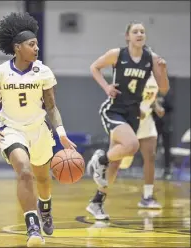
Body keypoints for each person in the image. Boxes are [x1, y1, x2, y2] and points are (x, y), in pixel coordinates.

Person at [0, 12, 76, 247]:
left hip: (39, 130)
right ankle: (33, 227)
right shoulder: (0, 72)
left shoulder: (43, 72)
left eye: (37, 44)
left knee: (43, 178)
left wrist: (61, 134)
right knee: (24, 171)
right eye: (31, 44)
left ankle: (45, 208)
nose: (36, 48)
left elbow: (52, 107)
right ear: (17, 47)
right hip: (11, 130)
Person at [86, 21, 169, 220]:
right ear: (128, 36)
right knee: (131, 145)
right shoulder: (118, 54)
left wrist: (163, 70)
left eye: (142, 31)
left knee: (115, 165)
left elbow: (164, 88)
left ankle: (96, 202)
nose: (139, 34)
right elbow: (94, 67)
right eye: (135, 31)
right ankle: (100, 159)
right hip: (114, 110)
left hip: (133, 114)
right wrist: (106, 87)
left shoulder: (152, 58)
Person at [120, 72, 164, 209]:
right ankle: (99, 197)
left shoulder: (153, 77)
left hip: (146, 122)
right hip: (130, 120)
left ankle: (147, 196)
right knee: (121, 163)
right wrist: (136, 109)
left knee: (150, 156)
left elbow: (150, 96)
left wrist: (156, 106)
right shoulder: (131, 74)